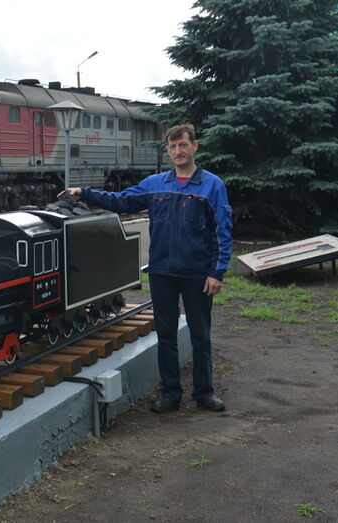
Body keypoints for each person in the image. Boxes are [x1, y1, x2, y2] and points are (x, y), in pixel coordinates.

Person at [61, 124, 232, 413]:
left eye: (183, 145)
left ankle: (204, 392)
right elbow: (121, 201)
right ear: (168, 150)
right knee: (165, 334)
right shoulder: (155, 184)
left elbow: (223, 231)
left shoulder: (212, 185)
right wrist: (84, 192)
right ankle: (171, 394)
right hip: (162, 272)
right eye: (173, 147)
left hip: (196, 273)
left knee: (200, 334)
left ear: (195, 147)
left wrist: (217, 272)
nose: (178, 151)